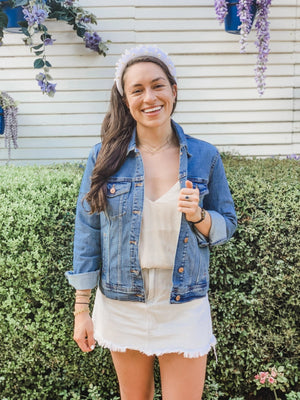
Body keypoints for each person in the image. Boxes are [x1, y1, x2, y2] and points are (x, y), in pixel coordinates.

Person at [66, 44, 237, 400]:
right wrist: (82, 310)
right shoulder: (104, 157)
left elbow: (227, 225)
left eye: (158, 85)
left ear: (173, 90)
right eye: (137, 90)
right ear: (125, 100)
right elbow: (88, 232)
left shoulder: (205, 155)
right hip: (121, 301)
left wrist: (200, 216)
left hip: (184, 301)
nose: (150, 97)